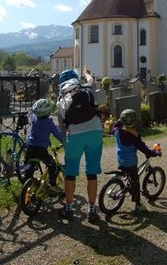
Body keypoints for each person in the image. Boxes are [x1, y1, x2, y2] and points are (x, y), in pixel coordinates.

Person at [57, 69, 103, 223]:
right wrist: (87, 73)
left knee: (70, 173)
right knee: (91, 172)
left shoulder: (61, 99)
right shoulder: (85, 88)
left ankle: (69, 208)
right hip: (95, 132)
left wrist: (66, 144)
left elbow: (62, 128)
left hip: (74, 136)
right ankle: (91, 210)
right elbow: (92, 81)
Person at [112, 108, 162, 213]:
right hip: (130, 163)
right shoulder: (134, 137)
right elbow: (145, 150)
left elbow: (115, 126)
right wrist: (155, 153)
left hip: (120, 160)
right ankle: (138, 205)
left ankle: (121, 176)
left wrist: (119, 122)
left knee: (127, 172)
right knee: (136, 184)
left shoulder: (116, 130)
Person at [24, 98, 63, 193]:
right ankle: (52, 184)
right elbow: (58, 135)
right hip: (41, 150)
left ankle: (27, 183)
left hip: (30, 148)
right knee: (52, 164)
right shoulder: (49, 124)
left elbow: (31, 112)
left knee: (29, 166)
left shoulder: (34, 119)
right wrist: (65, 141)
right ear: (48, 112)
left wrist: (32, 110)